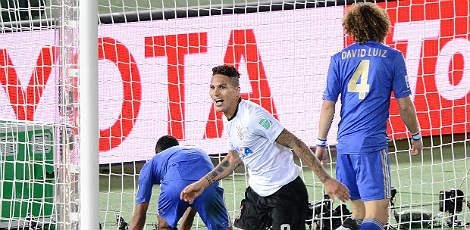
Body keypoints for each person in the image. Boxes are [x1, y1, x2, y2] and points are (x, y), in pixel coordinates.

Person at [180, 64, 350, 230]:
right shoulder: (229, 116)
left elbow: (295, 143)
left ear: (237, 91)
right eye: (212, 87)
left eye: (222, 87)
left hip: (285, 192)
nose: (215, 93)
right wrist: (202, 183)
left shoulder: (254, 117)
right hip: (257, 192)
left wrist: (326, 180)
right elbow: (233, 158)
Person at [315, 3, 423, 230]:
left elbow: (328, 106)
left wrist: (321, 143)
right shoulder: (392, 57)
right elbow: (404, 105)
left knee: (359, 214)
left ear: (351, 27)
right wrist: (415, 134)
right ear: (382, 25)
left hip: (344, 145)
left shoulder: (339, 59)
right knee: (377, 217)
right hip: (371, 146)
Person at [129, 135, 231, 230]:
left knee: (164, 226)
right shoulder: (195, 151)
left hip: (175, 185)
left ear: (157, 152)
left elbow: (140, 214)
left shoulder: (152, 162)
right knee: (223, 227)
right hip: (207, 183)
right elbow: (192, 204)